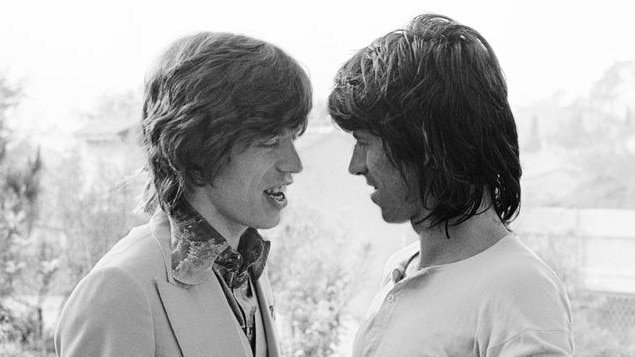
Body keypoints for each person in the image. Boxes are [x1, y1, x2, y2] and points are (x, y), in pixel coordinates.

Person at [328, 14, 574, 356]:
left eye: (365, 142)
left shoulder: (520, 290)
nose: (355, 166)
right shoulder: (401, 266)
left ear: (426, 141)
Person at [54, 32, 312, 357]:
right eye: (270, 140)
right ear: (200, 146)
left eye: (293, 138)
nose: (294, 165)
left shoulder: (248, 268)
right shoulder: (120, 289)